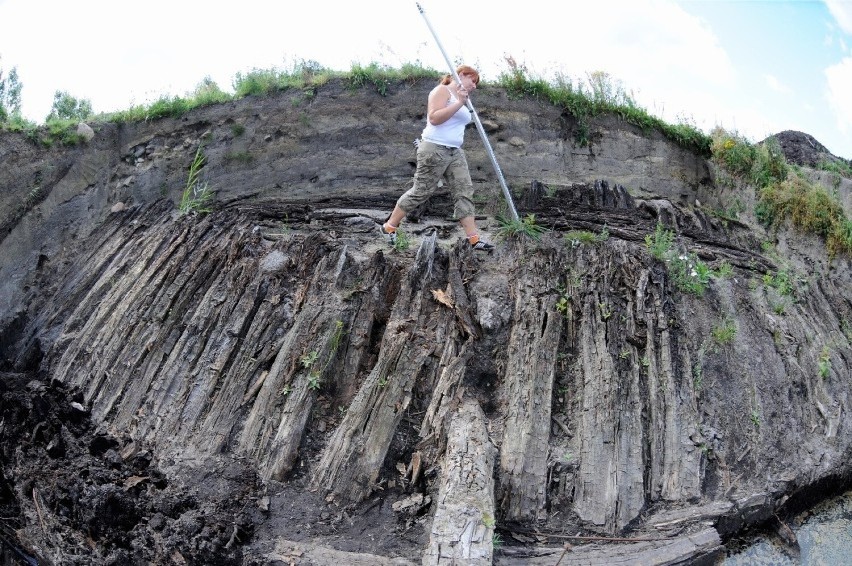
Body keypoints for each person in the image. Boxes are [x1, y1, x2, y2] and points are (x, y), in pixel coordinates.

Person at [380, 65, 495, 252]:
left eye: (476, 84)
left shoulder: (464, 98)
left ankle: (474, 240)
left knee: (464, 191)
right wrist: (459, 102)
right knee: (421, 191)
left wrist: (462, 101)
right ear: (462, 75)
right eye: (472, 81)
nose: (474, 86)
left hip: (455, 151)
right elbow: (434, 118)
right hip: (434, 148)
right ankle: (389, 227)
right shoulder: (442, 90)